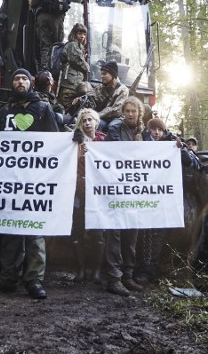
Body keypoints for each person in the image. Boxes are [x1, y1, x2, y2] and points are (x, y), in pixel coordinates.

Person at [0, 68, 59, 300]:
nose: (20, 82)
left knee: (34, 231)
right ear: (12, 83)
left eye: (24, 78)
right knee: (10, 230)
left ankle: (34, 281)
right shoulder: (5, 110)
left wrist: (72, 142)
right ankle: (7, 278)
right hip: (10, 179)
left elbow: (55, 141)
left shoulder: (44, 108)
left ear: (31, 83)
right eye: (16, 78)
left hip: (34, 181)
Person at [135, 117, 199, 285]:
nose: (156, 133)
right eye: (153, 129)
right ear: (148, 131)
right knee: (144, 234)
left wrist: (180, 149)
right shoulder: (141, 143)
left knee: (156, 234)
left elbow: (191, 162)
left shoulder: (173, 142)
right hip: (144, 195)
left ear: (163, 131)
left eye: (159, 130)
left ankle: (149, 272)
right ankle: (141, 269)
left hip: (165, 197)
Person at [103, 96, 150, 296]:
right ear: (123, 112)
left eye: (134, 111)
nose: (130, 114)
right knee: (114, 234)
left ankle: (128, 276)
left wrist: (174, 148)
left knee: (132, 234)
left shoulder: (145, 132)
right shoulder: (115, 129)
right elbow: (109, 154)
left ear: (140, 113)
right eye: (127, 111)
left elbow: (154, 155)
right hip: (116, 188)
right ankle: (114, 278)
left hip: (136, 191)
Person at [70, 108, 105, 283]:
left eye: (90, 120)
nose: (87, 123)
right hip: (79, 190)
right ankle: (81, 270)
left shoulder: (104, 139)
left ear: (96, 122)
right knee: (77, 231)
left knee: (98, 234)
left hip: (98, 193)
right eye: (84, 120)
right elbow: (66, 163)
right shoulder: (74, 141)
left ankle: (96, 271)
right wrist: (78, 153)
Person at [85, 61, 128, 131]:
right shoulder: (102, 87)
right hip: (103, 118)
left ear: (113, 75)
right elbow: (91, 95)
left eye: (104, 74)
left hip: (117, 118)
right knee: (93, 123)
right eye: (101, 74)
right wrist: (80, 99)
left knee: (112, 127)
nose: (102, 76)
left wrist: (97, 115)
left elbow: (115, 110)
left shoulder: (123, 90)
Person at [57, 22, 88, 108]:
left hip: (75, 84)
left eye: (84, 34)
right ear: (74, 34)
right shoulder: (72, 45)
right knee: (67, 107)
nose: (82, 36)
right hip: (69, 84)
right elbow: (78, 61)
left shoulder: (79, 47)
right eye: (80, 33)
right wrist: (87, 67)